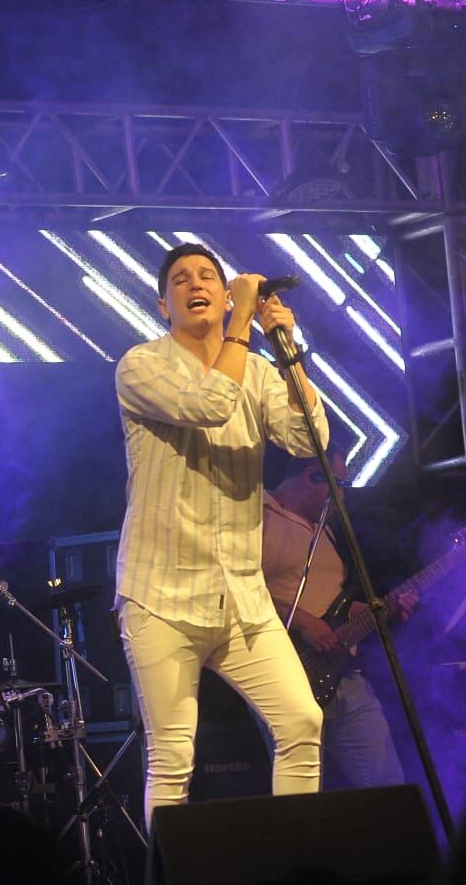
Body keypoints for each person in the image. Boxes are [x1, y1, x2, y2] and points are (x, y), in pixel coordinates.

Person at [113, 242, 329, 824]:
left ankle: (298, 864)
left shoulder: (259, 371)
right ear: (165, 304)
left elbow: (311, 442)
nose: (196, 282)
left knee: (302, 721)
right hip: (160, 595)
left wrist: (287, 352)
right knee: (173, 755)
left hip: (240, 595)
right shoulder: (141, 366)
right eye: (181, 279)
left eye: (207, 274)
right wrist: (240, 324)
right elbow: (209, 404)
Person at [263, 447, 413, 789]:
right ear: (311, 476)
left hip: (344, 676)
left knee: (388, 787)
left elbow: (335, 604)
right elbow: (238, 590)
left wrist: (374, 612)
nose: (342, 494)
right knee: (301, 790)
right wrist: (302, 620)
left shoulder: (325, 531)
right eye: (338, 483)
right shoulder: (262, 515)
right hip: (287, 673)